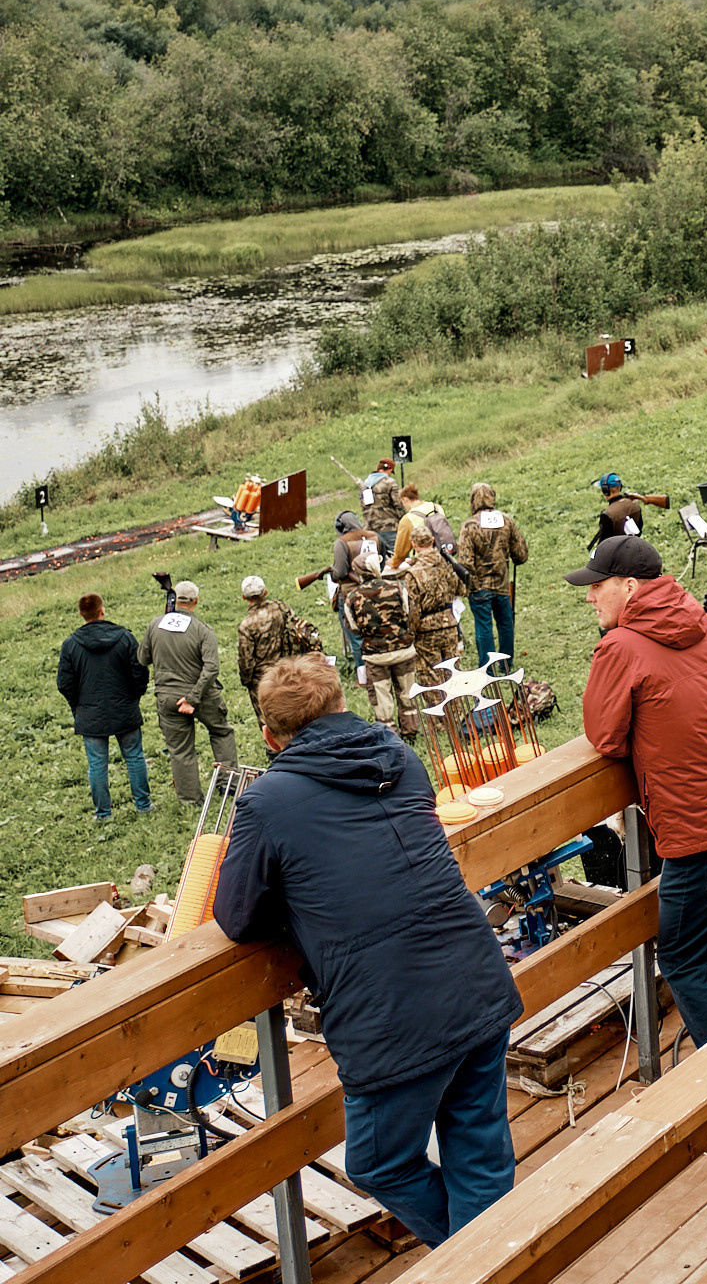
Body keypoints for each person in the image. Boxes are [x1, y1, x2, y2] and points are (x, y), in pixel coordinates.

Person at [215, 656, 519, 1249]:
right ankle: (498, 1260)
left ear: (269, 736)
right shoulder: (400, 759)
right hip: (475, 975)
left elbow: (236, 916)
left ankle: (470, 1263)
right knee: (478, 1144)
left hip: (390, 1014)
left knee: (380, 1163)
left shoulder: (267, 802)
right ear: (340, 705)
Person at [572, 535, 707, 1049]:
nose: (589, 597)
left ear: (628, 587)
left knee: (682, 958)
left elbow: (603, 735)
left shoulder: (620, 647)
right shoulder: (706, 624)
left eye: (597, 586)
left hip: (702, 831)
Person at [141, 579, 240, 806]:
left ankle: (190, 801)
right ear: (195, 601)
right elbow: (212, 668)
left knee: (180, 750)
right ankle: (229, 786)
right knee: (221, 733)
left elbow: (142, 658)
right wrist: (194, 697)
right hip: (204, 696)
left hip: (168, 699)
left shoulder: (155, 625)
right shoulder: (202, 630)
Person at [58, 593, 151, 820]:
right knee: (134, 757)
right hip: (124, 707)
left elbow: (64, 683)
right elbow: (140, 672)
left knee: (97, 764)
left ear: (81, 614)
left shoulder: (70, 645)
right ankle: (144, 805)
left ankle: (103, 813)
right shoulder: (125, 638)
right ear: (102, 610)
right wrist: (133, 697)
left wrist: (78, 706)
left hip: (90, 713)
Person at [345, 545, 422, 736]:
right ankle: (411, 730)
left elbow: (353, 627)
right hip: (403, 650)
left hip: (375, 656)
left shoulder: (352, 597)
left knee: (382, 696)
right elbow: (409, 613)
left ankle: (390, 735)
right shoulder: (396, 587)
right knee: (407, 691)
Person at [457, 483, 530, 667]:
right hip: (502, 584)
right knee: (505, 624)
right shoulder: (506, 521)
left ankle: (487, 669)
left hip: (479, 586)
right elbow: (521, 555)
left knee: (484, 627)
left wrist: (473, 585)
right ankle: (506, 664)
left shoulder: (468, 526)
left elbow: (465, 562)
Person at [236, 574, 322, 726]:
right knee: (295, 712)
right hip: (289, 669)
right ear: (265, 592)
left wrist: (247, 682)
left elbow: (246, 660)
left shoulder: (246, 625)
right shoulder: (282, 608)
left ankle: (274, 749)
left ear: (244, 597)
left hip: (263, 679)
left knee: (269, 720)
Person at [402, 539, 469, 682]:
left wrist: (411, 632)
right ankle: (457, 704)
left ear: (414, 544)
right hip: (449, 622)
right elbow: (461, 589)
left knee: (430, 676)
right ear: (432, 541)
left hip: (426, 629)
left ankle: (438, 704)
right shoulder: (446, 563)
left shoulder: (412, 574)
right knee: (454, 672)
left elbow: (413, 608)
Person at [328, 509, 377, 671]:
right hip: (375, 590)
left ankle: (363, 674)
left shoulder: (342, 542)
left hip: (350, 594)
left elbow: (340, 573)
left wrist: (331, 572)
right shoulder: (374, 536)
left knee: (355, 635)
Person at [591, 473, 663, 546]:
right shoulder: (634, 504)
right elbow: (639, 529)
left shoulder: (607, 514)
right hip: (634, 546)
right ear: (620, 487)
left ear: (605, 490)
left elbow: (604, 544)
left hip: (616, 552)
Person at [364, 459, 403, 554]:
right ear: (389, 469)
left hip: (370, 529)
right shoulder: (390, 482)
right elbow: (398, 504)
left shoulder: (365, 484)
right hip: (389, 527)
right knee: (396, 557)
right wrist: (403, 519)